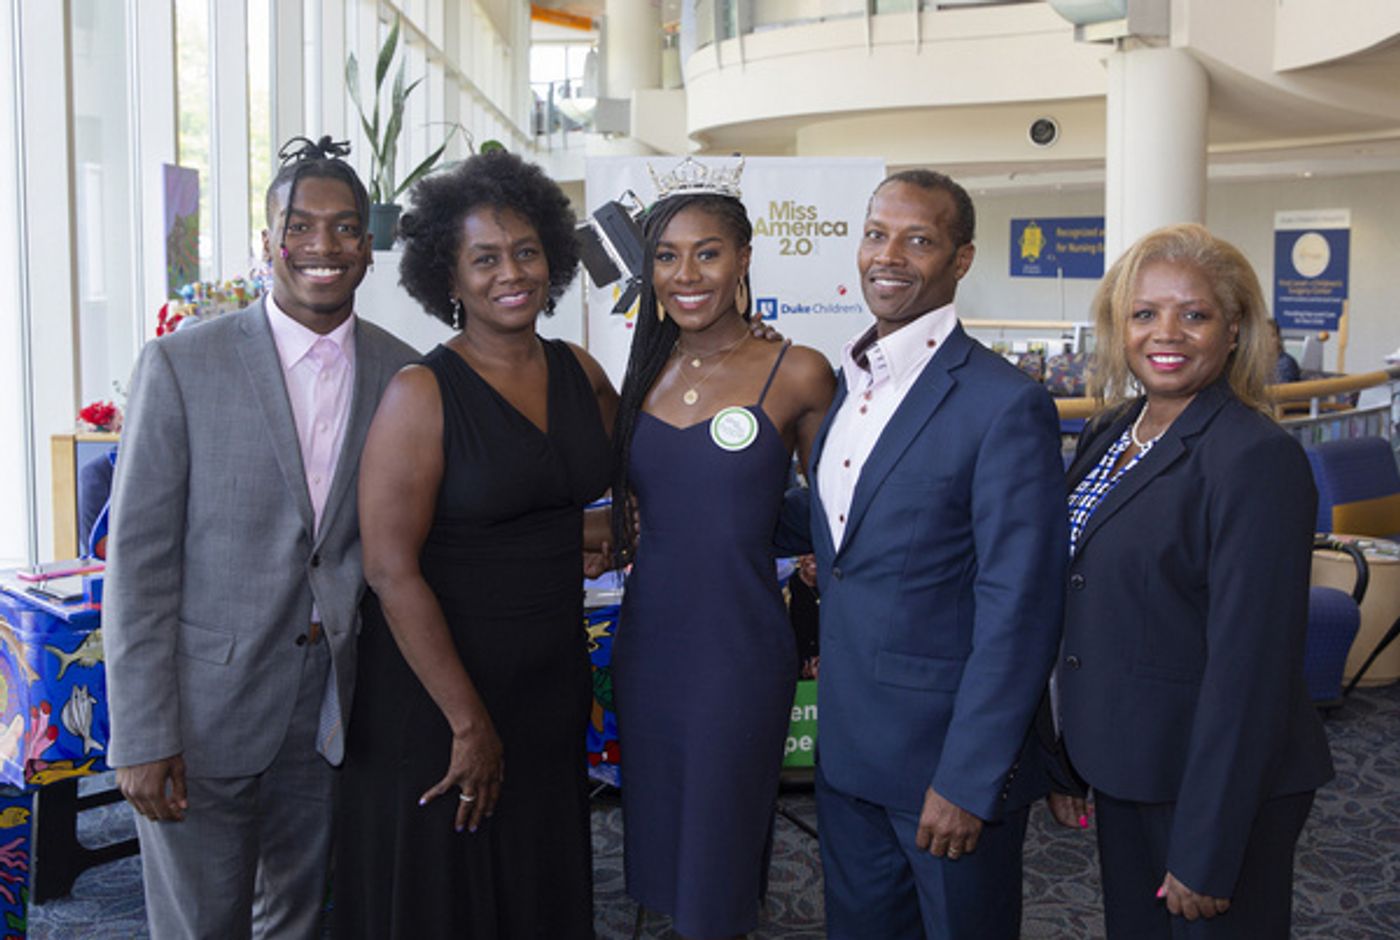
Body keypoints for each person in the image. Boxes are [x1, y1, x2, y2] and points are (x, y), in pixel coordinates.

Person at [103, 136, 417, 937]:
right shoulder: (181, 366)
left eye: (345, 227)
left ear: (369, 246)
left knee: (301, 920)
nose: (323, 246)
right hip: (202, 713)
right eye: (300, 225)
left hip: (331, 715)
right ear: (266, 238)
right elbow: (138, 565)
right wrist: (141, 734)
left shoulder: (403, 373)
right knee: (202, 925)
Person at [332, 149, 615, 938]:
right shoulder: (420, 393)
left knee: (534, 873)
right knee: (446, 890)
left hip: (549, 676)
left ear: (552, 260)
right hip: (438, 689)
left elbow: (645, 468)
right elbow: (390, 571)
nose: (510, 273)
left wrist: (600, 533)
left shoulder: (579, 372)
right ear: (448, 281)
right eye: (483, 259)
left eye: (526, 251)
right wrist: (467, 721)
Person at [781, 169, 1068, 939]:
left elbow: (1021, 608)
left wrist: (969, 780)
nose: (890, 255)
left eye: (919, 239)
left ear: (961, 259)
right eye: (877, 233)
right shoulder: (852, 382)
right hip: (847, 759)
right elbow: (841, 529)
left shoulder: (1004, 405)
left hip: (943, 771)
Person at [1047, 223, 1333, 938]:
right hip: (1126, 760)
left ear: (1234, 330)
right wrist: (1064, 755)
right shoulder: (1113, 430)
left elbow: (1251, 669)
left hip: (1212, 785)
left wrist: (1209, 847)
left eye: (1194, 314)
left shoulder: (1254, 459)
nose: (1164, 333)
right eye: (1144, 313)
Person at [608, 161, 836, 939]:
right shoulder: (640, 374)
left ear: (742, 260)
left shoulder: (796, 370)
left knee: (722, 848)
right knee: (664, 840)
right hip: (649, 644)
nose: (686, 273)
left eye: (706, 253)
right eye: (666, 256)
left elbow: (839, 515)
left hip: (740, 646)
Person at [1271, 319, 1302, 383]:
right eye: (1263, 336)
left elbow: (1279, 391)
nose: (1267, 340)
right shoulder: (1256, 363)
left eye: (1272, 335)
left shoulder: (1285, 363)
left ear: (1278, 338)